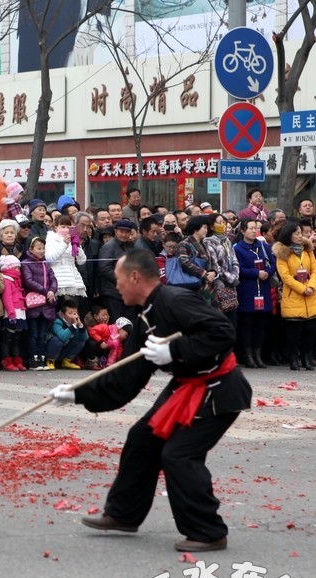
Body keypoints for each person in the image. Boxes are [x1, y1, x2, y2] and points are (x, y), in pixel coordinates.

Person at [48, 248, 252, 552]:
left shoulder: (175, 300)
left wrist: (176, 350)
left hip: (218, 388)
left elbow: (222, 331)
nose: (115, 286)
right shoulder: (145, 315)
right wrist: (79, 393)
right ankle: (124, 514)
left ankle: (208, 531)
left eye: (117, 279)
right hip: (186, 386)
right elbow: (128, 375)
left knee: (178, 455)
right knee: (143, 438)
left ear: (134, 276)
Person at [272, 222, 316, 370]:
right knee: (294, 332)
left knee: (309, 331)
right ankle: (293, 358)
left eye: (300, 233)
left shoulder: (307, 250)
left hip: (310, 295)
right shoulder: (283, 253)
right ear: (288, 235)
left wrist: (311, 286)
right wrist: (303, 289)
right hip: (294, 295)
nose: (299, 236)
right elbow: (285, 277)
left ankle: (307, 358)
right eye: (296, 233)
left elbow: (314, 270)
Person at [233, 219, 276, 369]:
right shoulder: (238, 248)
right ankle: (248, 356)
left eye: (255, 228)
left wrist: (267, 273)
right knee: (247, 324)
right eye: (250, 228)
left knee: (260, 324)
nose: (253, 231)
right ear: (243, 231)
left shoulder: (263, 246)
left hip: (263, 289)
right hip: (247, 289)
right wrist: (256, 273)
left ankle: (258, 355)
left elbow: (272, 263)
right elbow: (239, 269)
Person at [21, 236, 58, 370]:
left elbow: (53, 279)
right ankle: (32, 359)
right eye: (38, 248)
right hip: (34, 303)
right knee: (33, 333)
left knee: (42, 334)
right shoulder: (25, 263)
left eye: (43, 248)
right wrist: (45, 291)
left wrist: (52, 291)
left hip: (46, 304)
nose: (42, 251)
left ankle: (42, 358)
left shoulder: (46, 264)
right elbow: (28, 281)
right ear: (31, 249)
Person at [98, 218, 137, 325]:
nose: (124, 234)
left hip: (128, 292)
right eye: (121, 231)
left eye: (127, 232)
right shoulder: (109, 246)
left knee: (130, 326)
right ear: (115, 231)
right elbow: (104, 268)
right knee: (117, 325)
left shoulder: (130, 246)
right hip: (113, 292)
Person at [0, 255, 27, 371]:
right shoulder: (7, 280)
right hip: (12, 312)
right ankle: (6, 360)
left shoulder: (18, 280)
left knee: (17, 338)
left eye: (18, 268)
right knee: (8, 338)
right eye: (15, 268)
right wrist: (11, 313)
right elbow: (7, 297)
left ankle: (17, 360)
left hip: (20, 311)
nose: (17, 270)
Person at [45, 299, 87, 369]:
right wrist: (73, 326)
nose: (73, 316)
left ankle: (66, 361)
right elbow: (62, 337)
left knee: (80, 340)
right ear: (63, 314)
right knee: (58, 340)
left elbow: (84, 338)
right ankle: (50, 361)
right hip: (49, 352)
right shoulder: (57, 322)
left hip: (63, 352)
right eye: (70, 313)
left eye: (75, 313)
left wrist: (80, 325)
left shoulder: (75, 322)